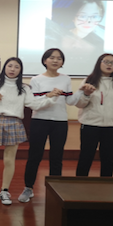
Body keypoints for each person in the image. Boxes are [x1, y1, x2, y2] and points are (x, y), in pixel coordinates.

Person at [0, 57, 59, 206]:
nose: (12, 69)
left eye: (16, 67)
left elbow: (34, 104)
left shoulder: (24, 88)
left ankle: (5, 191)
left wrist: (50, 98)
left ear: (20, 70)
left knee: (9, 160)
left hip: (13, 123)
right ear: (5, 67)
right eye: (10, 66)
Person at [18, 48, 82, 203]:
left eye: (59, 58)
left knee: (57, 156)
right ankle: (28, 188)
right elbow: (34, 102)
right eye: (52, 57)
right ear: (45, 60)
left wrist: (82, 93)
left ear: (62, 62)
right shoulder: (36, 79)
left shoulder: (66, 79)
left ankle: (55, 189)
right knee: (35, 156)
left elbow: (70, 101)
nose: (55, 60)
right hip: (40, 120)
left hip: (60, 121)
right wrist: (49, 95)